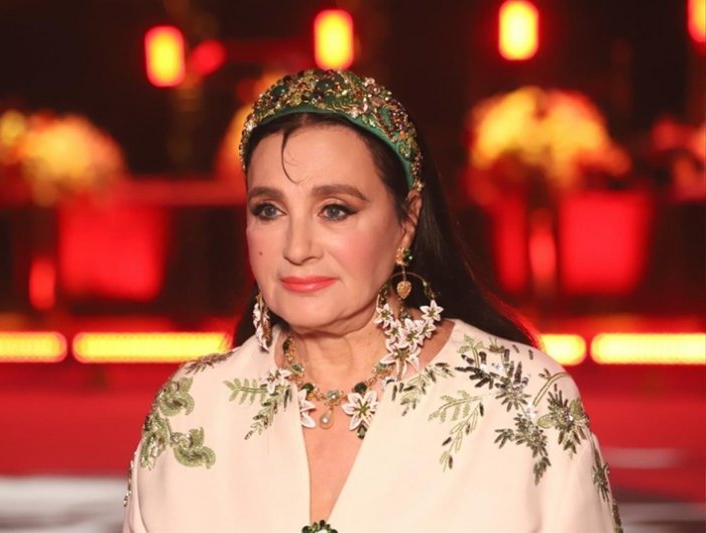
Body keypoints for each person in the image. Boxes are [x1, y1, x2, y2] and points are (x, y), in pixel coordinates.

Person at [122, 69, 622, 533]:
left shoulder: (522, 400)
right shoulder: (193, 407)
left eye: (335, 210)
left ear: (407, 221)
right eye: (269, 210)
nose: (297, 247)